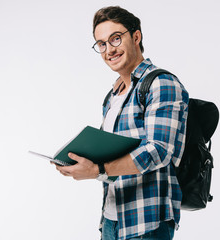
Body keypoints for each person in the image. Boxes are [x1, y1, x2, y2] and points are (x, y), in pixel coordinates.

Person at [55, 6, 189, 240]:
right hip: (111, 219)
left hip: (146, 222)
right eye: (102, 44)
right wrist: (80, 163)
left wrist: (97, 170)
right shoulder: (114, 94)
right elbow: (111, 151)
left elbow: (159, 151)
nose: (109, 50)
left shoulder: (161, 83)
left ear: (136, 36)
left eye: (115, 38)